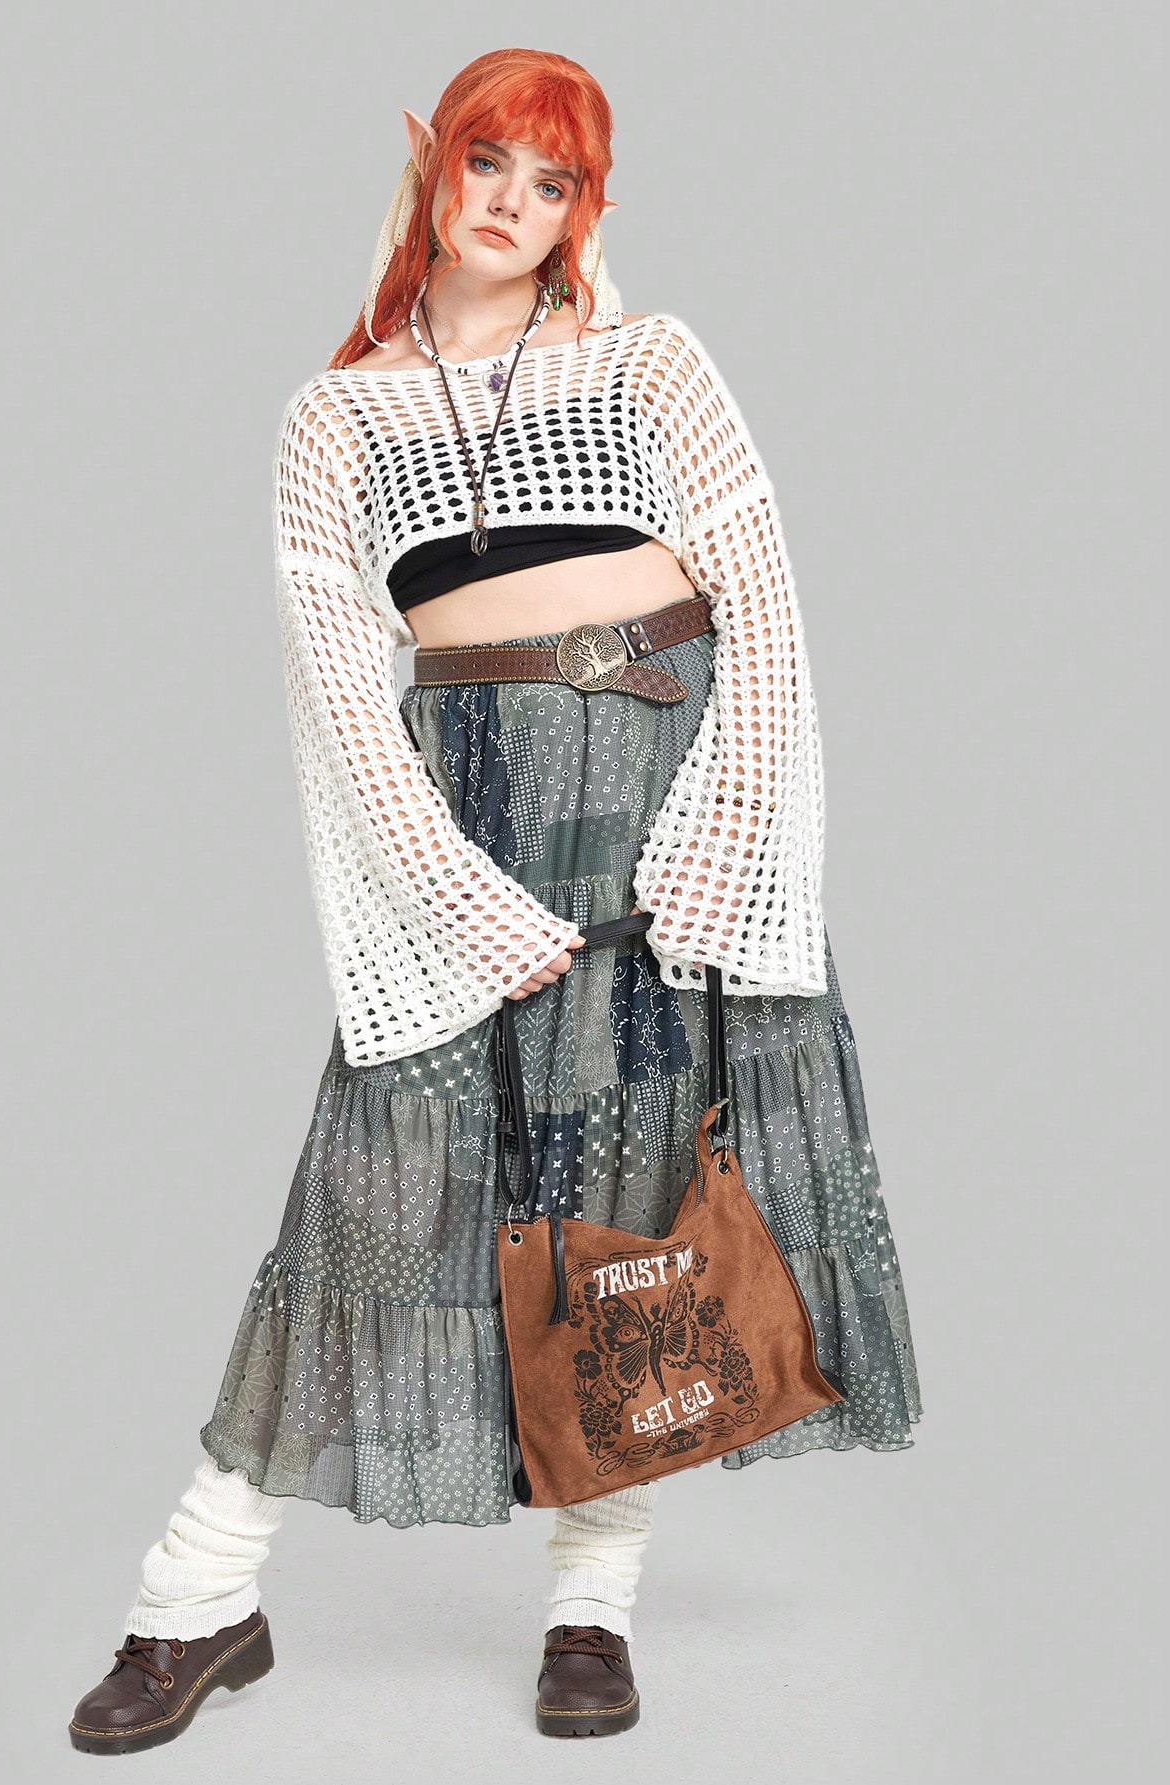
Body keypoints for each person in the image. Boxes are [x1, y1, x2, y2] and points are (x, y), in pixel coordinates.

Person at [68, 47, 922, 1754]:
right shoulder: (335, 416)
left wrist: (723, 838)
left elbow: (763, 609)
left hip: (674, 801)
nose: (512, 206)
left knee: (643, 1205)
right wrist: (450, 897)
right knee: (379, 1192)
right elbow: (338, 689)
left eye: (553, 183)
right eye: (489, 164)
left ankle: (593, 1604)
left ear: (585, 209)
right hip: (469, 820)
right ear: (430, 162)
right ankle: (196, 1593)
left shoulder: (654, 363)